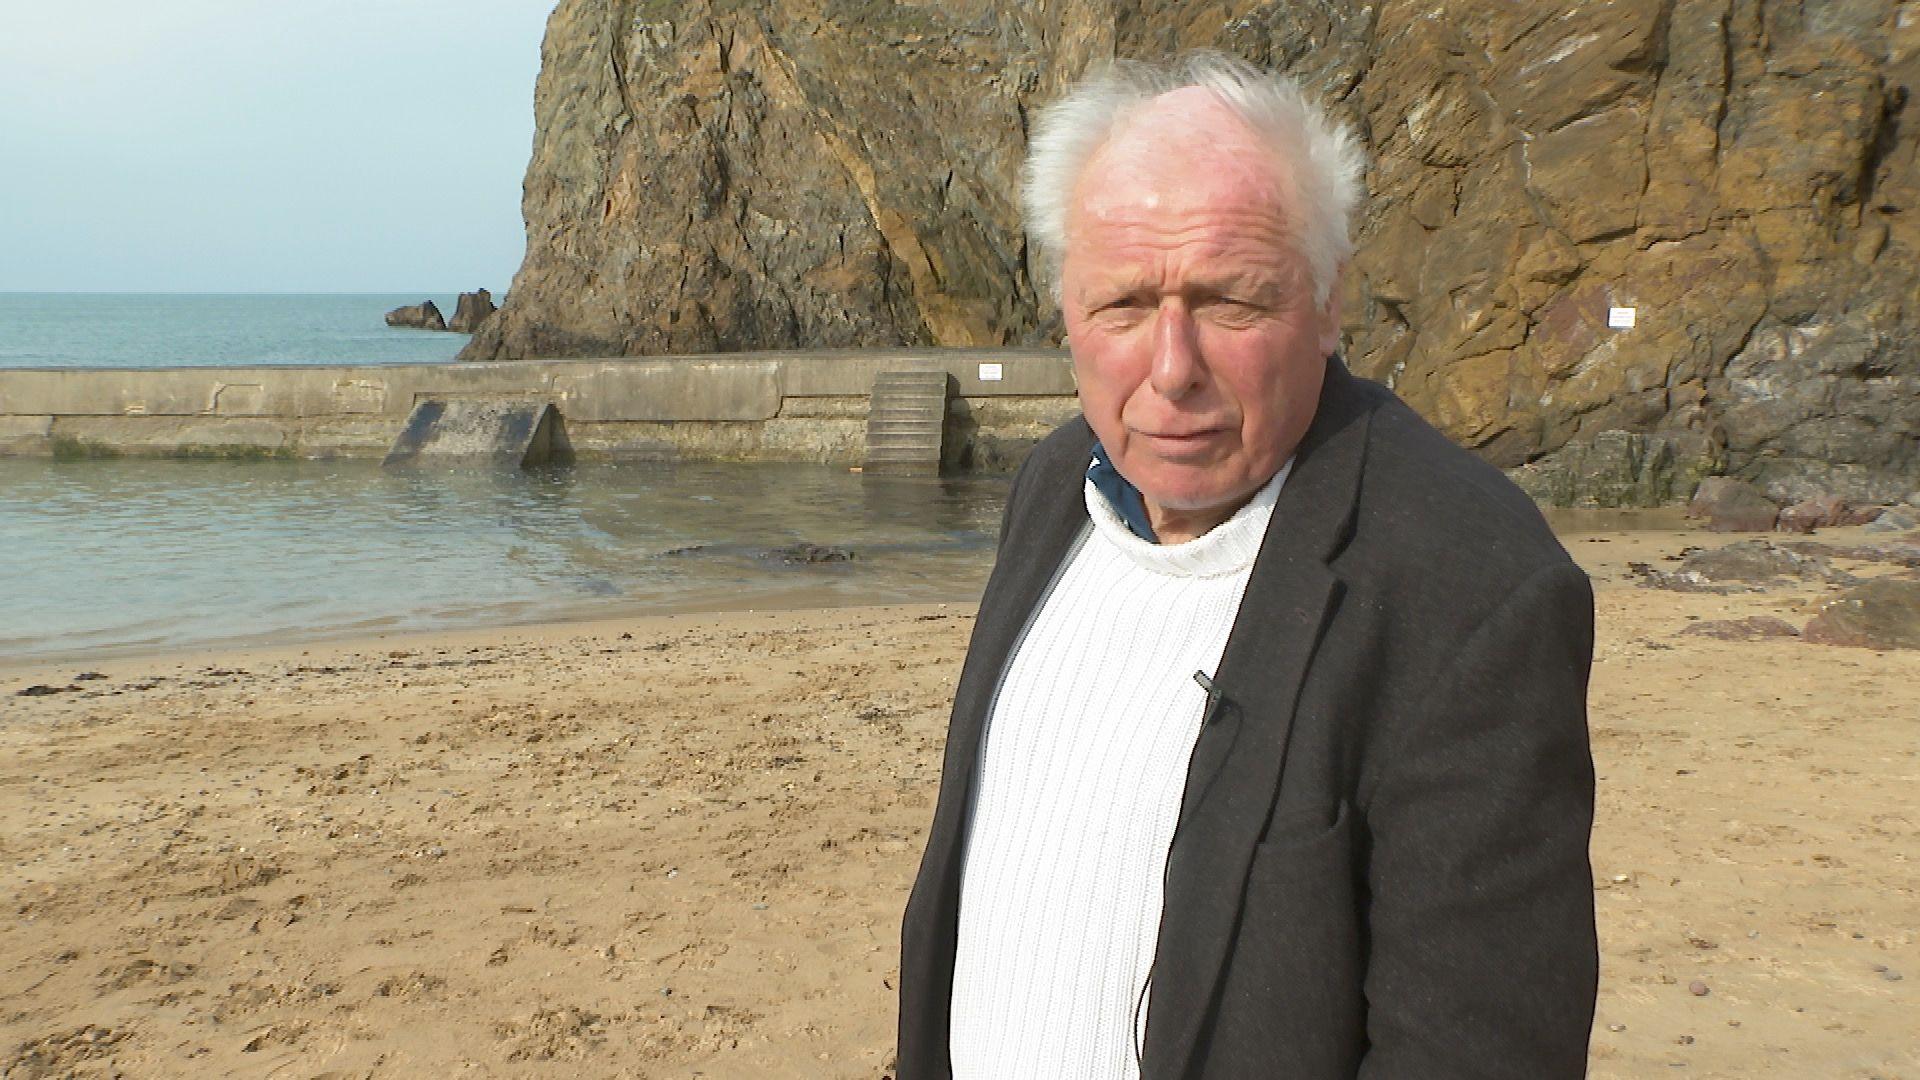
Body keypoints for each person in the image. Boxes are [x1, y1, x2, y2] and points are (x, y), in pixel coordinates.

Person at [897, 53, 1598, 1078]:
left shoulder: (1473, 591)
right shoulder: (1054, 488)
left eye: (1230, 303)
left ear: (1327, 302)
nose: (1171, 370)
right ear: (1065, 308)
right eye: (1124, 306)